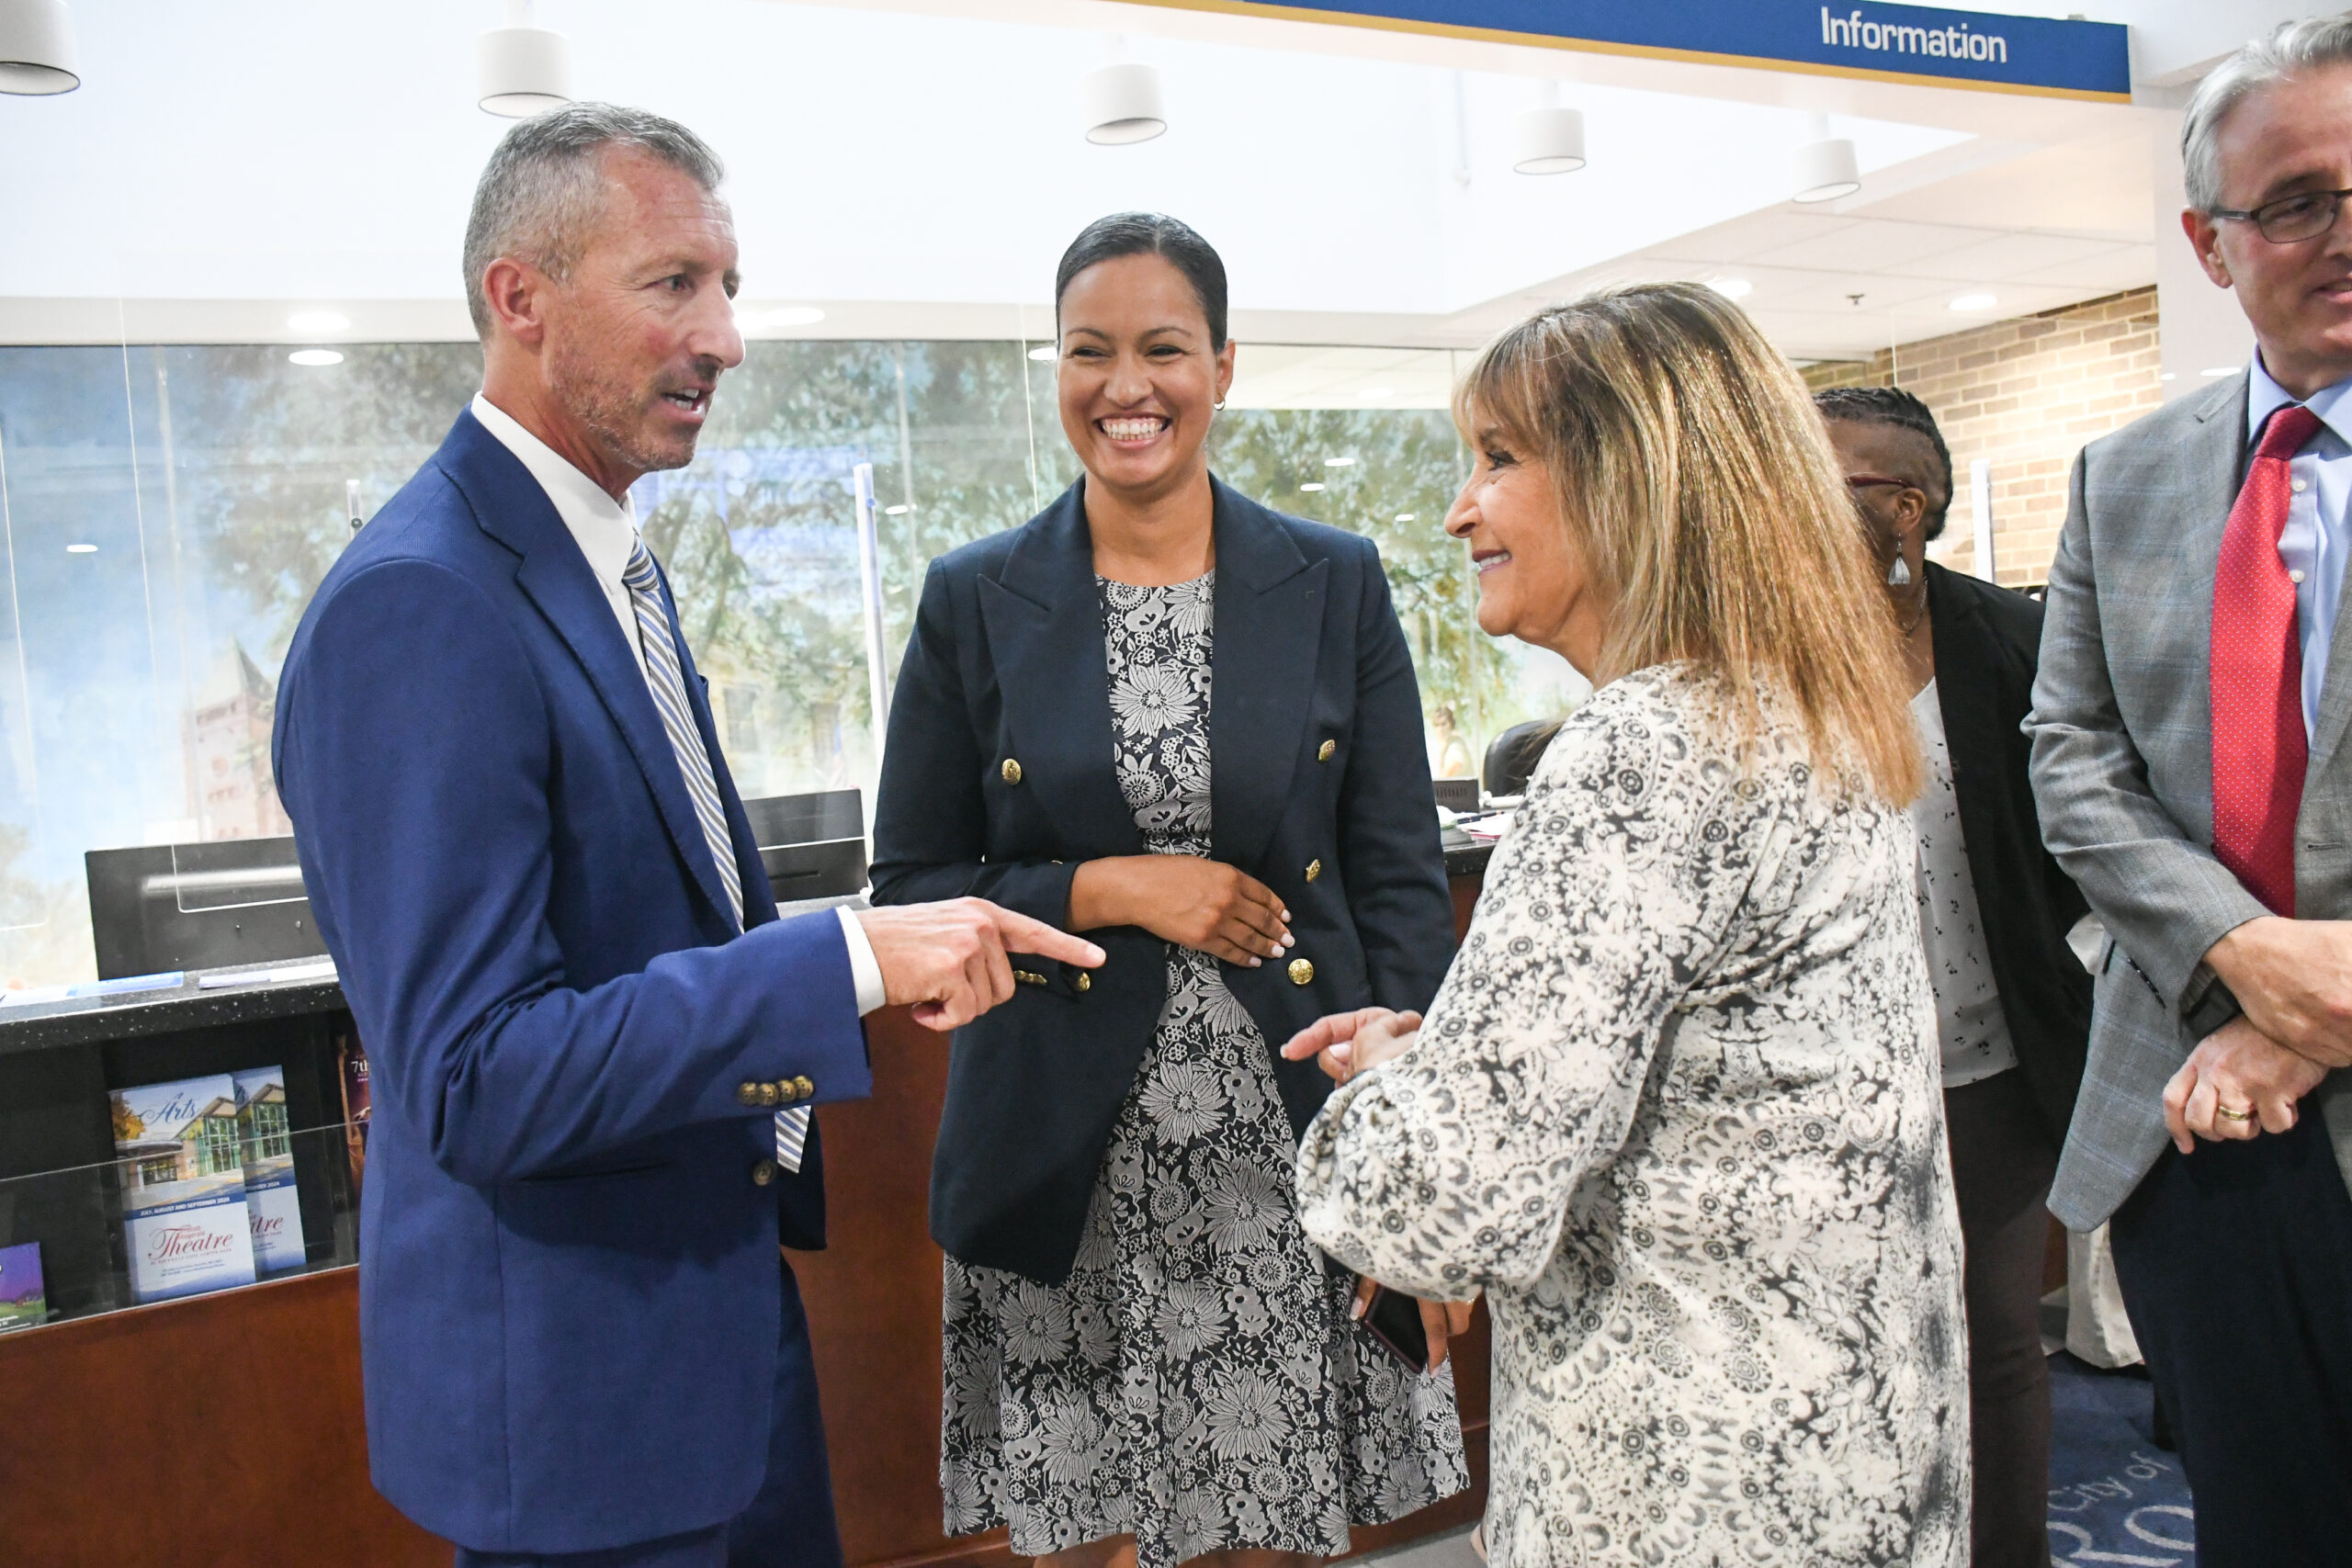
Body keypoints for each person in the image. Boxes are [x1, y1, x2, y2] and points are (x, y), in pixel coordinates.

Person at [272, 106, 1101, 1568]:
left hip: (713, 1350)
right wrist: (844, 960)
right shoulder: (423, 603)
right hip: (581, 1418)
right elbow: (478, 1079)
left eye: (727, 287)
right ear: (520, 298)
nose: (725, 338)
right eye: (674, 284)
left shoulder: (605, 569)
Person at [1283, 283, 1969, 1568]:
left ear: (1631, 479)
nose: (1460, 510)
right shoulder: (1801, 712)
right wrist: (1462, 1065)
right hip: (1848, 1447)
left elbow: (1442, 1207)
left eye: (1498, 458)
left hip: (1686, 1484)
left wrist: (1382, 1086)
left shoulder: (1645, 751)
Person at [868, 212, 1468, 1568]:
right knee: (1085, 1527)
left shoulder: (1335, 579)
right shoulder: (974, 597)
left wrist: (1418, 1125)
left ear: (1224, 366)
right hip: (1062, 1141)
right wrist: (1111, 887)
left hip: (1286, 1132)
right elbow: (911, 884)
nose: (1125, 386)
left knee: (1268, 1524)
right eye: (1089, 351)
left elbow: (1396, 875)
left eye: (1164, 349)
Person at [2026, 15, 2352, 1561]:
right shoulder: (2128, 473)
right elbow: (2072, 756)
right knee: (2265, 1520)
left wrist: (2317, 1005)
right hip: (2194, 1129)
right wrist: (2243, 954)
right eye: (2296, 202)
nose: (2343, 231)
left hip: (2274, 1066)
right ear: (2210, 244)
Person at [1817, 385, 2091, 1568]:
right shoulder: (1757, 652)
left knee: (1993, 1342)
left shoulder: (2015, 643)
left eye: (1828, 478)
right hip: (1822, 1085)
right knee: (1846, 1353)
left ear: (1906, 505)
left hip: (1987, 1067)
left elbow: (2086, 844)